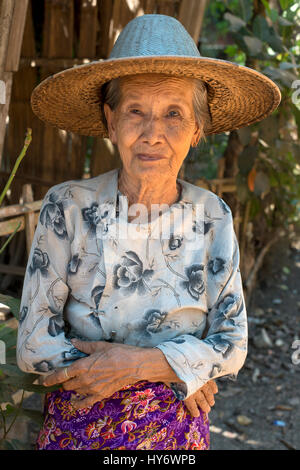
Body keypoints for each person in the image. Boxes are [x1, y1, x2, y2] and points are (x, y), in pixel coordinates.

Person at [17, 14, 281, 451]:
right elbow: (31, 345)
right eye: (135, 111)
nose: (152, 134)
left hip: (174, 429)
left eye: (173, 114)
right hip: (83, 417)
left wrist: (141, 365)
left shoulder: (211, 215)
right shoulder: (67, 207)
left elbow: (232, 344)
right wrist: (181, 368)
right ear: (110, 120)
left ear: (197, 128)